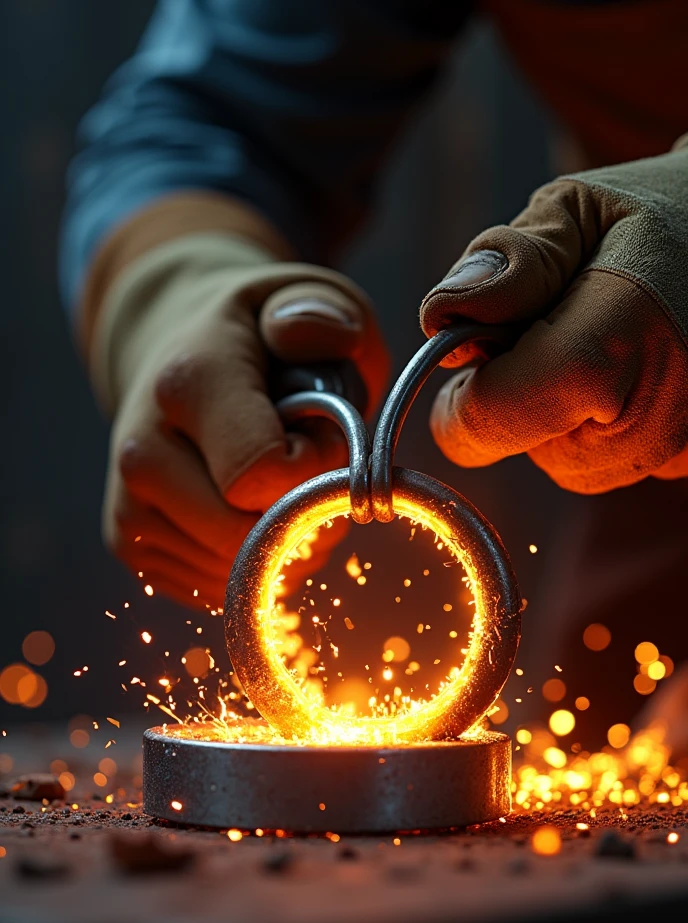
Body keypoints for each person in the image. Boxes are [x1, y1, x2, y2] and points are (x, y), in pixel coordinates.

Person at [61, 1, 688, 743]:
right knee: (611, 756)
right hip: (642, 416)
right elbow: (214, 112)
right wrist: (176, 282)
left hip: (652, 351)